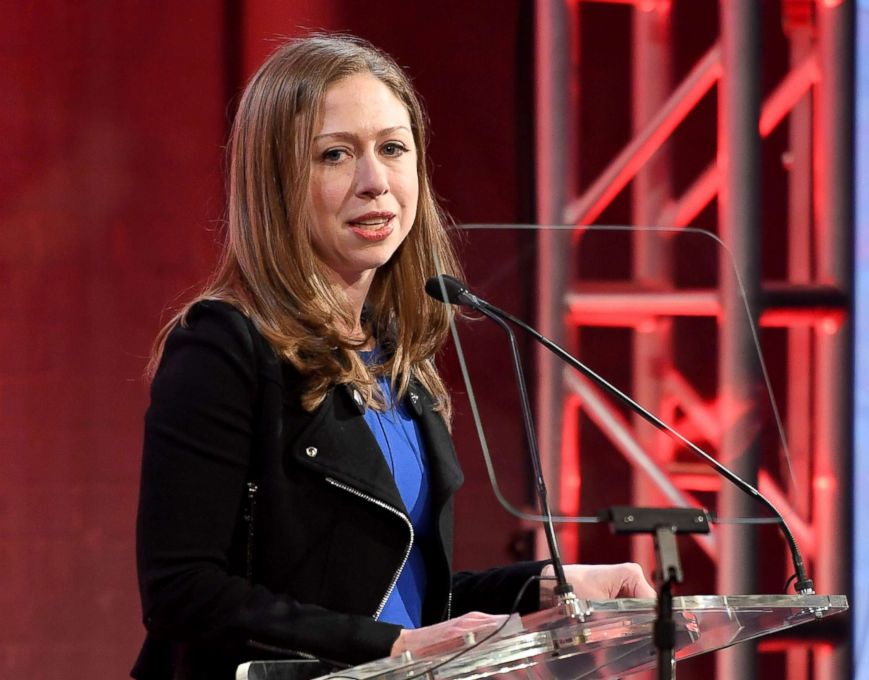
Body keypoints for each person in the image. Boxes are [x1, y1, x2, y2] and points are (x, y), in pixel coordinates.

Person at [132, 34, 653, 680]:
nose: (374, 182)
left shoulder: (398, 358)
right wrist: (398, 649)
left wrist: (546, 586)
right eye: (334, 155)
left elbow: (394, 601)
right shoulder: (224, 348)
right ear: (276, 183)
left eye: (392, 149)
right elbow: (183, 593)